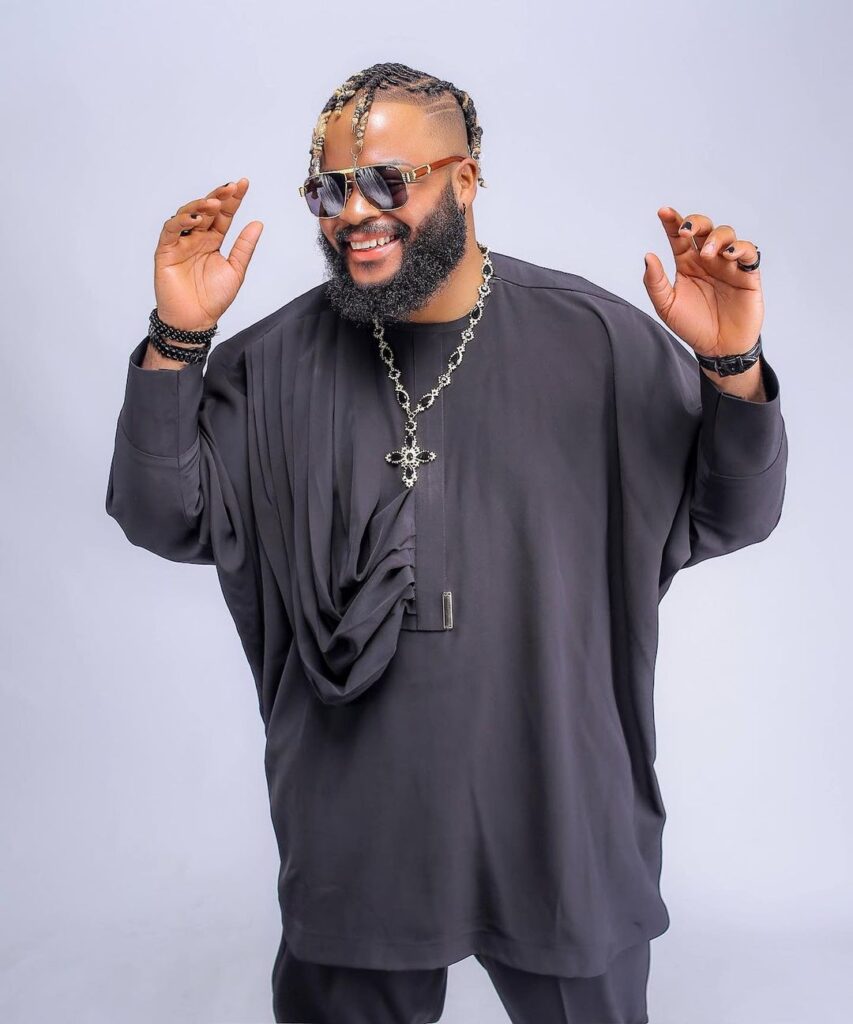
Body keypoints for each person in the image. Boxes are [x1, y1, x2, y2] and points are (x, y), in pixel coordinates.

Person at [105, 61, 788, 1024]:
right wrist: (177, 341)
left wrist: (729, 365)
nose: (353, 212)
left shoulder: (598, 340)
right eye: (329, 190)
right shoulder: (269, 362)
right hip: (353, 819)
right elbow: (160, 514)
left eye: (386, 180)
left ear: (464, 179)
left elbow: (733, 513)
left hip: (560, 804)